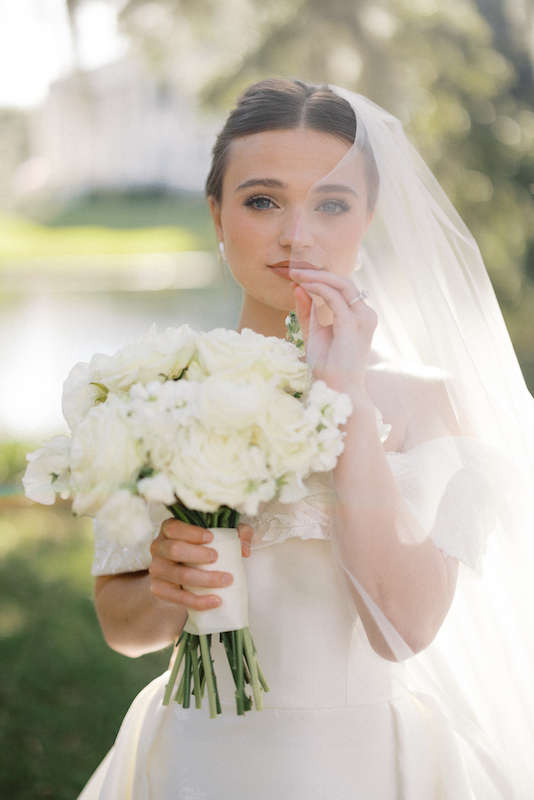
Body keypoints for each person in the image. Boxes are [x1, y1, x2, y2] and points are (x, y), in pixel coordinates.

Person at [78, 79, 534, 799]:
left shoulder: (426, 404)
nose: (298, 235)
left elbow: (403, 630)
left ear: (368, 217)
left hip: (360, 767)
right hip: (199, 761)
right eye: (262, 201)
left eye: (331, 204)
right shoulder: (153, 389)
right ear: (217, 215)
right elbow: (123, 626)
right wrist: (173, 586)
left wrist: (345, 393)